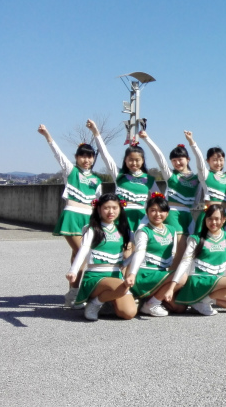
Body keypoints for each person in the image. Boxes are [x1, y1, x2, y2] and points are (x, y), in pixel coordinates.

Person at [37, 124, 103, 308]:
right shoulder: (70, 171)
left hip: (89, 220)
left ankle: (72, 294)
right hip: (72, 216)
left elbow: (99, 203)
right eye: (83, 156)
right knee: (83, 253)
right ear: (76, 157)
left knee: (77, 255)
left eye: (90, 156)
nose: (86, 160)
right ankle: (76, 293)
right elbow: (57, 154)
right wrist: (47, 135)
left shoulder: (97, 180)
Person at [166, 204, 226, 315]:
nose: (213, 222)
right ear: (205, 219)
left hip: (216, 283)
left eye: (217, 219)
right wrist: (171, 287)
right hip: (198, 281)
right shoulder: (196, 238)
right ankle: (201, 301)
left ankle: (203, 301)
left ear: (224, 220)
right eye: (210, 218)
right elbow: (184, 263)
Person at [66, 193, 137, 321]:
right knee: (122, 286)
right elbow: (83, 249)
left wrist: (126, 262)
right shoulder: (91, 229)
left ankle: (105, 301)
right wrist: (73, 271)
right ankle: (95, 303)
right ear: (99, 209)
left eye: (114, 208)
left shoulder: (124, 230)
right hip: (95, 276)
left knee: (128, 313)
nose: (111, 212)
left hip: (116, 275)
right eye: (106, 208)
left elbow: (142, 248)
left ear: (120, 209)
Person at [139, 130, 201, 262]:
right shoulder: (171, 176)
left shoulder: (197, 178)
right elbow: (160, 157)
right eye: (174, 160)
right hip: (173, 213)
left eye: (180, 159)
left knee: (192, 249)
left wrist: (191, 141)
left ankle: (181, 273)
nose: (177, 163)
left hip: (188, 214)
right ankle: (172, 273)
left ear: (188, 159)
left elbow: (197, 199)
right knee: (180, 247)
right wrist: (147, 139)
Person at [88, 119, 159, 232]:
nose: (134, 163)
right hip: (120, 216)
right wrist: (95, 132)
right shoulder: (119, 175)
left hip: (141, 218)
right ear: (125, 160)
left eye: (137, 160)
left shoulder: (149, 179)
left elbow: (159, 200)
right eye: (130, 159)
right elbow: (105, 155)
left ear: (143, 161)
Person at [128, 193, 188, 316]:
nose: (157, 214)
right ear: (147, 212)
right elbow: (139, 253)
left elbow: (172, 255)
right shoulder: (143, 231)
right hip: (145, 275)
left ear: (167, 213)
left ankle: (149, 300)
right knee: (182, 276)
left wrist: (171, 280)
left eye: (161, 211)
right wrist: (132, 274)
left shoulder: (171, 229)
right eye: (153, 210)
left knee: (179, 307)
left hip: (160, 275)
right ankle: (151, 304)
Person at [186, 131, 226, 233]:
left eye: (221, 160)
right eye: (214, 160)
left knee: (224, 241)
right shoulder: (205, 174)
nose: (218, 163)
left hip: (223, 216)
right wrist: (192, 142)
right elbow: (199, 158)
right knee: (203, 241)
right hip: (208, 214)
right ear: (208, 161)